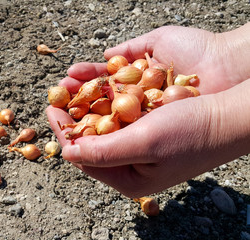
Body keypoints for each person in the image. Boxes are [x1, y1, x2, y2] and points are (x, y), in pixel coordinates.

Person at [46, 23, 250, 198]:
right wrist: (224, 55)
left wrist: (216, 123)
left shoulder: (138, 92)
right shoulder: (128, 91)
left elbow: (138, 97)